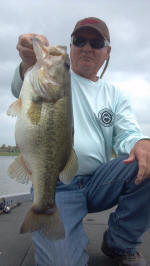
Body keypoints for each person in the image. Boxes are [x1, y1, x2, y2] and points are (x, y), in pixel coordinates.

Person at [11, 17, 150, 266]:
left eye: (96, 42)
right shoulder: (51, 78)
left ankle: (120, 244)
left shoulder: (114, 94)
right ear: (71, 46)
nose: (87, 47)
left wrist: (141, 142)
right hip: (57, 184)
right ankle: (47, 220)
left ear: (107, 52)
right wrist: (28, 61)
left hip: (101, 181)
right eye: (79, 40)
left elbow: (128, 134)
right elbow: (22, 84)